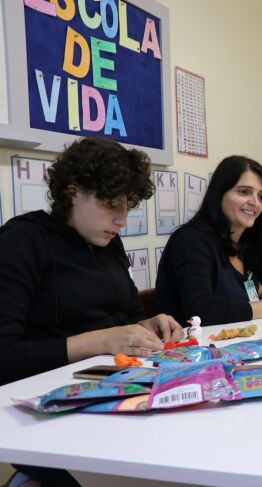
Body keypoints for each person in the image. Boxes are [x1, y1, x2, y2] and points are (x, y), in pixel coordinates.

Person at [0, 137, 183, 387]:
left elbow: (130, 317)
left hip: (119, 381)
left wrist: (146, 327)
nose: (122, 220)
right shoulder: (22, 240)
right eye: (111, 204)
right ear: (73, 191)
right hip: (50, 391)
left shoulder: (109, 242)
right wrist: (102, 341)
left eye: (128, 206)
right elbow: (6, 357)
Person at [155, 156, 262, 325]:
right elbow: (201, 311)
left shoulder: (249, 241)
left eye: (261, 196)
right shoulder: (190, 240)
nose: (255, 202)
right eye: (244, 192)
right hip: (190, 347)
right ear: (219, 194)